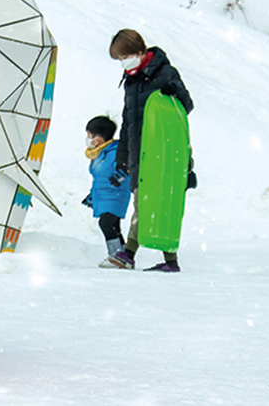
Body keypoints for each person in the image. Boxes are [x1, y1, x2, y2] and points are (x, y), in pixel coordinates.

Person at [106, 29, 194, 273]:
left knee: (157, 202)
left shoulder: (165, 73)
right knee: (145, 202)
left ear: (139, 50)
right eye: (119, 60)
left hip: (162, 151)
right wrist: (122, 155)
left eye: (125, 56)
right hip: (139, 153)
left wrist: (173, 93)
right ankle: (169, 261)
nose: (124, 63)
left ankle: (129, 254)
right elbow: (128, 123)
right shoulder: (131, 82)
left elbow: (185, 107)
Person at [81, 115, 130, 268]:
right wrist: (92, 196)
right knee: (112, 224)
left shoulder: (115, 151)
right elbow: (99, 177)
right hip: (103, 194)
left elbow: (127, 167)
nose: (87, 139)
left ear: (98, 139)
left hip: (116, 192)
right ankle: (121, 255)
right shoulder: (99, 153)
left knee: (107, 223)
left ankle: (116, 255)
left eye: (89, 135)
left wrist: (120, 176)